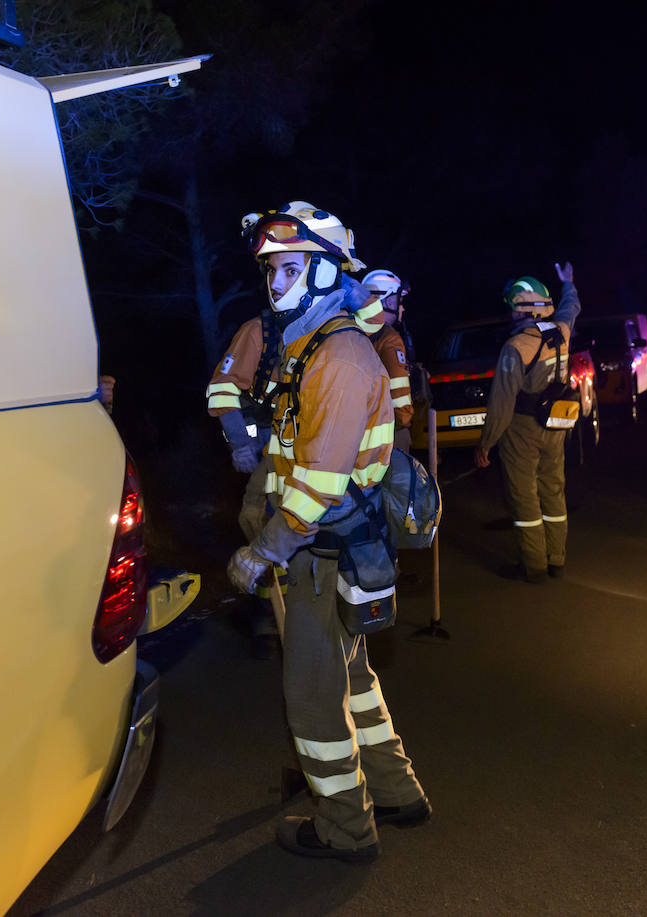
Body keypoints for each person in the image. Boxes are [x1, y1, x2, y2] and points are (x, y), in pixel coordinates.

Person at [226, 202, 429, 863]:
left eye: (290, 269)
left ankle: (346, 828)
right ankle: (397, 793)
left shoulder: (339, 358)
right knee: (356, 680)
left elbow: (315, 487)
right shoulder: (313, 346)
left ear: (324, 274)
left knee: (315, 700)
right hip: (334, 552)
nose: (274, 284)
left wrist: (261, 553)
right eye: (270, 271)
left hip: (318, 553)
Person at [473, 264, 581, 583]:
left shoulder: (516, 347)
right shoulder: (561, 331)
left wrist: (486, 444)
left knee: (524, 495)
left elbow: (502, 404)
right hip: (556, 425)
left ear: (524, 309)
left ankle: (534, 566)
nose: (510, 316)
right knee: (553, 488)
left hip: (522, 429)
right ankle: (556, 559)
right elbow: (571, 306)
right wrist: (569, 283)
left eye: (513, 309)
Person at [207, 315, 284, 658]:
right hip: (271, 451)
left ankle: (290, 615)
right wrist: (240, 442)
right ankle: (271, 610)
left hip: (318, 455)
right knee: (257, 520)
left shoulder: (336, 329)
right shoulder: (259, 332)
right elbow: (222, 388)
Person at [357, 269, 415, 452]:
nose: (402, 308)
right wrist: (404, 419)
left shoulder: (351, 330)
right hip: (388, 433)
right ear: (389, 300)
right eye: (400, 301)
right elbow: (399, 396)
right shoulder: (389, 338)